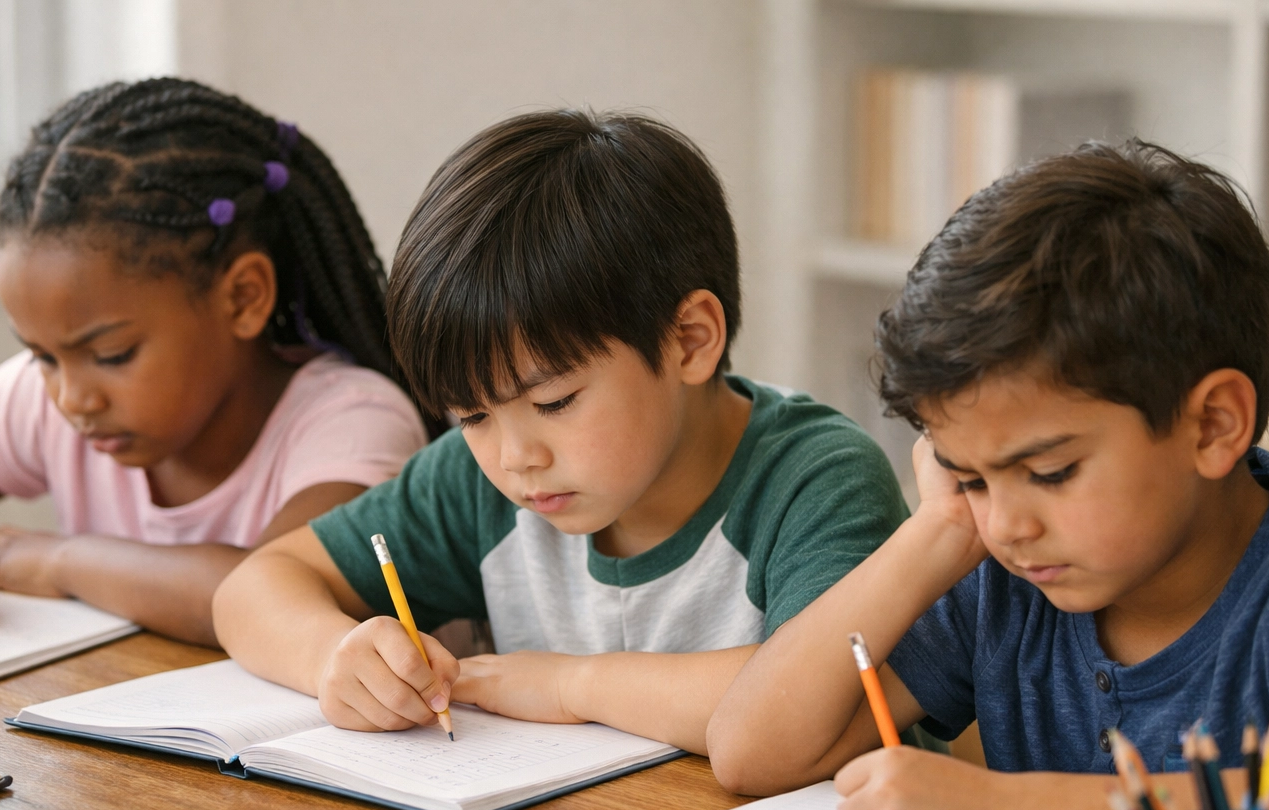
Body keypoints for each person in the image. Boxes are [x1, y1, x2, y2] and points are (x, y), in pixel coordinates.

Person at [706, 141, 1269, 810]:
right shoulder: (1008, 575)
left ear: (1211, 425)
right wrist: (937, 532)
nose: (1007, 523)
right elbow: (751, 750)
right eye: (969, 477)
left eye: (1049, 472)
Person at [213, 109, 908, 753]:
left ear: (690, 340)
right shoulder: (479, 483)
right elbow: (255, 588)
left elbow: (817, 700)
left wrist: (571, 685)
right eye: (473, 414)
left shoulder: (817, 483)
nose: (516, 458)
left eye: (555, 401)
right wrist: (334, 656)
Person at [0, 78, 430, 647]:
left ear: (242, 296)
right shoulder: (53, 399)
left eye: (112, 354)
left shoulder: (351, 420)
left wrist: (61, 561)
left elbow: (270, 596)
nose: (71, 398)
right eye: (41, 357)